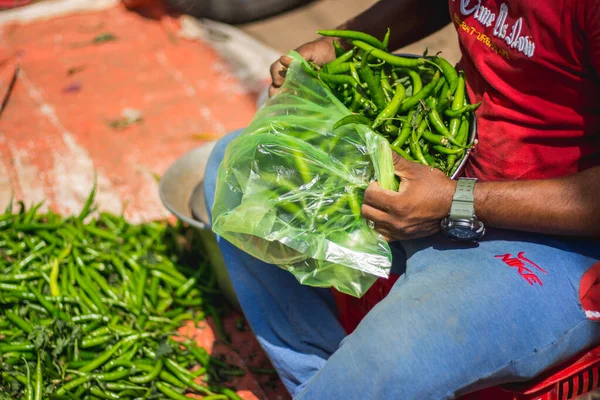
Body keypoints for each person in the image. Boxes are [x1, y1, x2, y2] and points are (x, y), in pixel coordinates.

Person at [204, 0, 600, 398]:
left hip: (554, 233)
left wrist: (455, 201)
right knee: (236, 171)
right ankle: (315, 379)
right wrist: (340, 46)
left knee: (382, 365)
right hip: (446, 159)